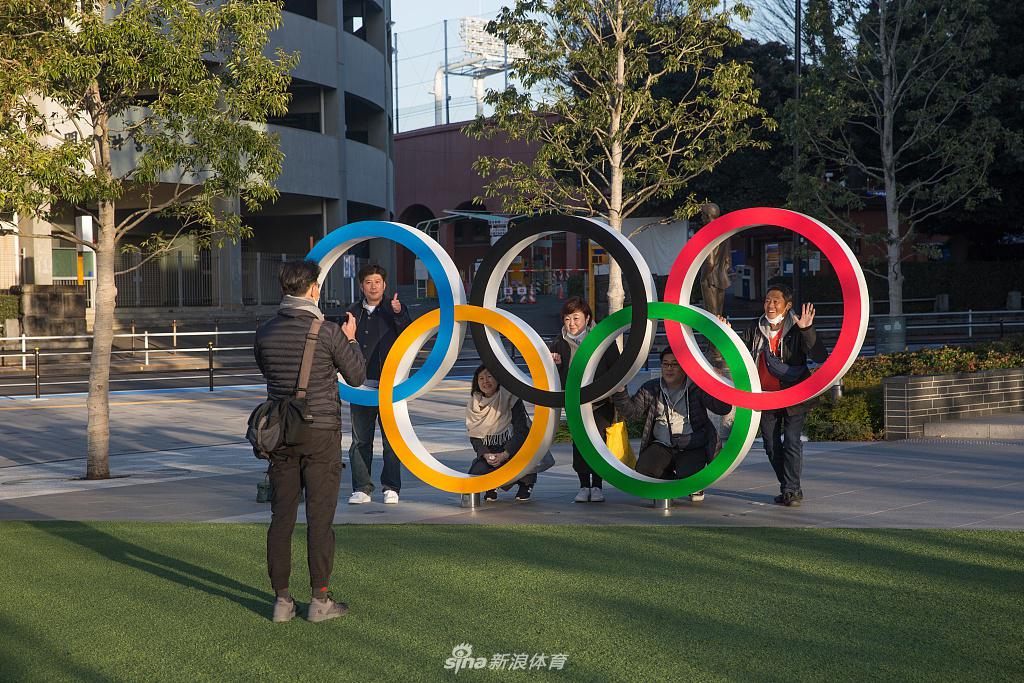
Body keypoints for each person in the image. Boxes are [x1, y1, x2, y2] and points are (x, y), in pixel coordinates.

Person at [254, 259, 366, 623]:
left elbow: (268, 371)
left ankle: (282, 602)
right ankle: (320, 601)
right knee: (320, 518)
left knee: (281, 517)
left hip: (281, 434)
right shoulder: (328, 332)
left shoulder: (265, 331)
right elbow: (357, 375)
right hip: (320, 433)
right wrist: (351, 339)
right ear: (313, 289)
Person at [737, 284, 827, 507]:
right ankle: (788, 485)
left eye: (776, 301)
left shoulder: (797, 328)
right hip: (766, 397)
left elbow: (819, 356)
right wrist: (724, 332)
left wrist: (807, 330)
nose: (770, 305)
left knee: (792, 442)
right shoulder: (755, 328)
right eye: (767, 300)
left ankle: (791, 489)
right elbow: (737, 353)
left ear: (787, 306)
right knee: (770, 444)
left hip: (794, 395)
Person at [611, 348, 731, 503]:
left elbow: (722, 408)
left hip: (692, 444)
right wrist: (620, 390)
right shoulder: (651, 388)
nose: (669, 368)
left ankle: (692, 483)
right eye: (665, 364)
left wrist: (718, 385)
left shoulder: (696, 387)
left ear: (684, 367)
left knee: (688, 472)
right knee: (644, 470)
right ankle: (675, 485)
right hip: (663, 444)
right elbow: (631, 412)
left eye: (674, 364)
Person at [344, 264, 412, 505]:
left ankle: (391, 486)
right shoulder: (353, 312)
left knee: (391, 440)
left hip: (390, 386)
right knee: (360, 440)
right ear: (361, 286)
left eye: (377, 282)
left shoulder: (393, 308)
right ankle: (362, 488)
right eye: (368, 282)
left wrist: (399, 313)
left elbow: (410, 335)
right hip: (360, 385)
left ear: (384, 285)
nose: (373, 286)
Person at [550, 296, 619, 503]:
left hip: (599, 402)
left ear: (588, 319)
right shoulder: (558, 342)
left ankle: (597, 486)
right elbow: (555, 378)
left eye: (576, 318)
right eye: (567, 319)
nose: (571, 324)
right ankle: (583, 485)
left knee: (598, 443)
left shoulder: (603, 340)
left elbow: (616, 368)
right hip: (575, 403)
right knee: (579, 444)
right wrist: (555, 364)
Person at [465, 365, 537, 502]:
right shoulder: (474, 403)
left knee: (525, 459)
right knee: (475, 472)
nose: (485, 381)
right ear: (476, 382)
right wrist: (486, 454)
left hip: (513, 447)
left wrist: (505, 454)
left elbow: (521, 431)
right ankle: (492, 485)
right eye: (481, 378)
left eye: (489, 377)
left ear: (498, 379)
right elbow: (474, 436)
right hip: (490, 449)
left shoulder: (510, 398)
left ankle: (526, 484)